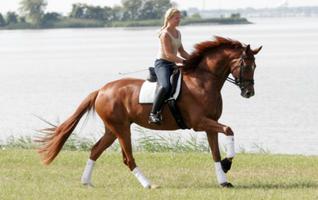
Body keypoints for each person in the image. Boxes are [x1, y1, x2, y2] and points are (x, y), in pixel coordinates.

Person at [148, 8, 190, 124]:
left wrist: (194, 60)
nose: (179, 20)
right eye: (177, 18)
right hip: (162, 64)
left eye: (179, 18)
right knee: (165, 86)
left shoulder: (178, 32)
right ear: (169, 18)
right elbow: (169, 55)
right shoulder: (165, 34)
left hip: (172, 63)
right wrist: (184, 62)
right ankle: (153, 113)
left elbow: (182, 52)